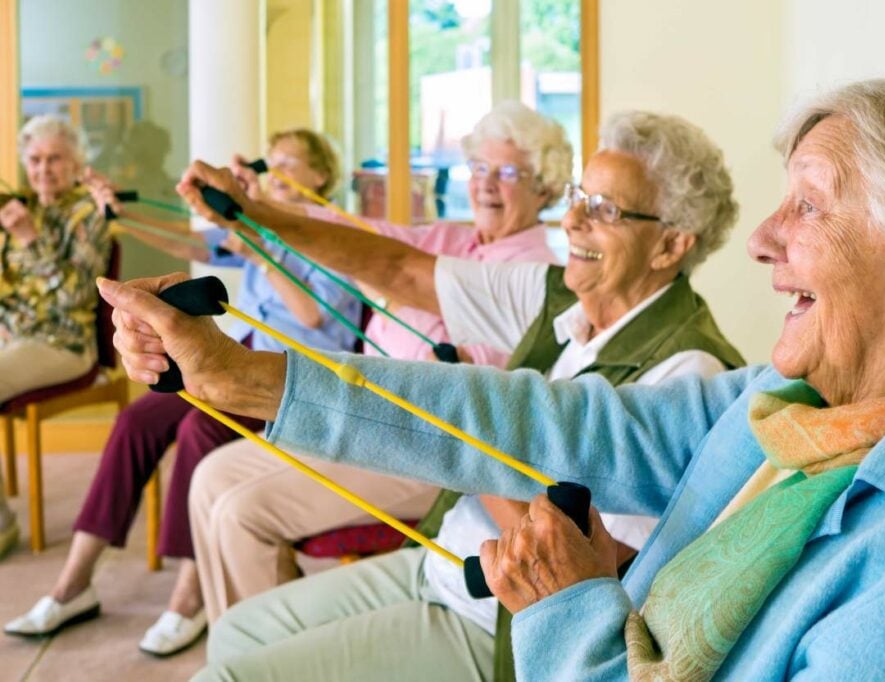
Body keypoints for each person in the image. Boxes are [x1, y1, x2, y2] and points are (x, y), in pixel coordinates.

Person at [108, 78, 885, 680]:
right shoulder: (798, 402)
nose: (762, 241)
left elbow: (579, 543)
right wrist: (241, 377)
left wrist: (574, 607)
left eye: (812, 206)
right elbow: (538, 417)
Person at [134, 107, 742, 679]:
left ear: (671, 244)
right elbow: (400, 268)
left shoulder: (690, 370)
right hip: (442, 561)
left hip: (496, 620)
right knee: (237, 633)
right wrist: (254, 213)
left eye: (605, 209)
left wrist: (466, 442)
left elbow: (612, 571)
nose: (574, 220)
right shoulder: (562, 295)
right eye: (580, 198)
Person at [188, 102, 575, 624]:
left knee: (239, 513)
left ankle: (263, 653)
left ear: (545, 188)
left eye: (507, 173)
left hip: (428, 448)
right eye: (479, 168)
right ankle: (245, 645)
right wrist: (254, 207)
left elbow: (477, 379)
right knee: (209, 478)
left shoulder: (535, 271)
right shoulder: (450, 239)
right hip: (359, 417)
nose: (486, 184)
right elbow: (362, 241)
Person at [4, 128, 361, 658]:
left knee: (199, 429)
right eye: (274, 161)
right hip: (247, 357)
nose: (277, 170)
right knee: (137, 421)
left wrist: (260, 250)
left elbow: (314, 318)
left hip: (299, 380)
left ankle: (188, 596)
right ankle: (73, 583)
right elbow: (189, 243)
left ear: (321, 175)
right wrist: (118, 215)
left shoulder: (335, 234)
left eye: (292, 162)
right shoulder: (263, 225)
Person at [0, 115, 111, 560]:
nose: (44, 169)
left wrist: (29, 238)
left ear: (76, 162)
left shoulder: (88, 213)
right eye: (35, 159)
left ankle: (2, 527)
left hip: (65, 344)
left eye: (55, 159)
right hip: (15, 339)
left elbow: (76, 295)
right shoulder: (23, 204)